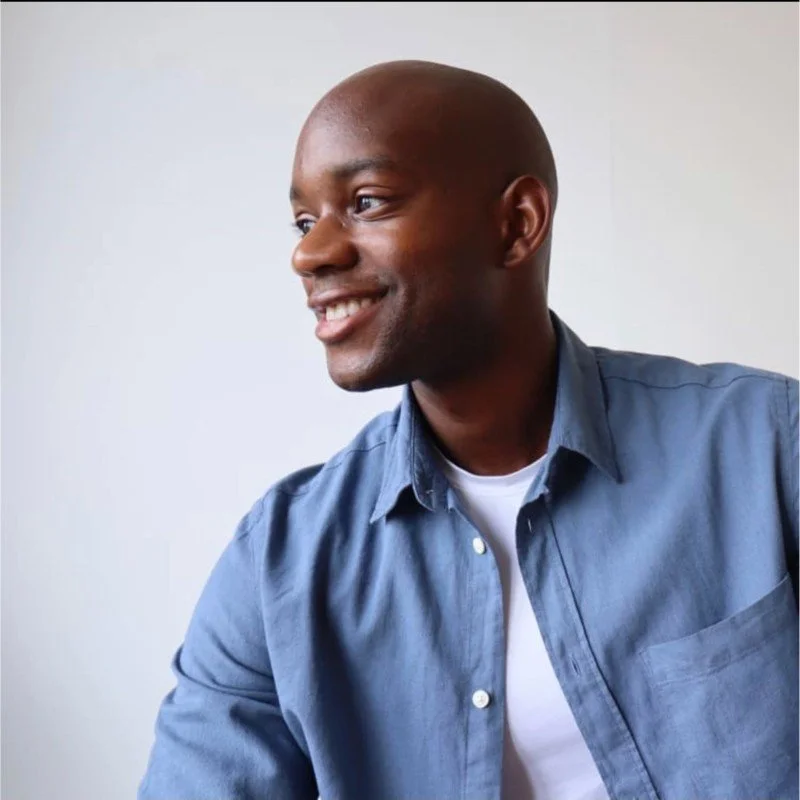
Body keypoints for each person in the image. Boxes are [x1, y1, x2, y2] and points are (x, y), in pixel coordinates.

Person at [138, 60, 798, 800]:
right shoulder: (280, 567)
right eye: (302, 220)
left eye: (365, 201)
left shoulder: (769, 447)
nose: (310, 253)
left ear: (516, 225)